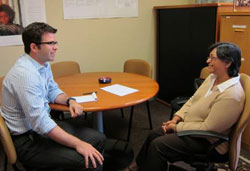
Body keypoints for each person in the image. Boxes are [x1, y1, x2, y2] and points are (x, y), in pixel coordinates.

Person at [1, 22, 106, 170]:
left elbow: (52, 90)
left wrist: (70, 101)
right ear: (34, 47)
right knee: (89, 158)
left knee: (99, 139)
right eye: (50, 43)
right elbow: (41, 123)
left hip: (40, 128)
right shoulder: (25, 75)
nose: (56, 47)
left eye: (55, 42)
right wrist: (79, 144)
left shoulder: (41, 64)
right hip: (28, 140)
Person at [125, 42, 245, 171]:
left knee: (158, 145)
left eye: (212, 58)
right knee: (154, 133)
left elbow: (208, 128)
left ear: (227, 63)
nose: (207, 61)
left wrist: (176, 127)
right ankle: (138, 166)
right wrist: (176, 118)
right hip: (192, 128)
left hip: (209, 141)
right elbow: (193, 100)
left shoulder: (231, 95)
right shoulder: (213, 78)